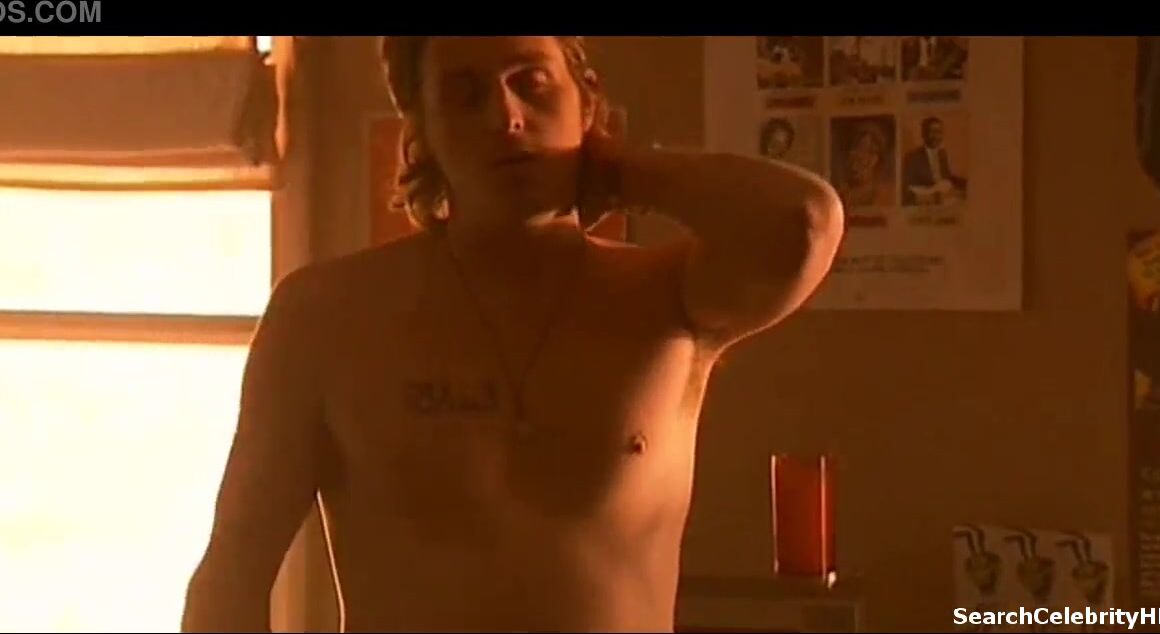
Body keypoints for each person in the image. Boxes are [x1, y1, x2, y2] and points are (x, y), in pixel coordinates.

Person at [180, 36, 843, 633]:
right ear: (424, 131)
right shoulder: (326, 314)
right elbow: (233, 572)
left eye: (532, 83)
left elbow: (805, 223)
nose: (504, 117)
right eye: (464, 95)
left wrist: (624, 170)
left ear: (586, 103)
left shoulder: (671, 303)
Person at [902, 116, 966, 206]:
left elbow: (947, 176)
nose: (937, 136)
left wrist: (967, 183)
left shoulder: (942, 154)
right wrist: (932, 192)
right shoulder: (912, 157)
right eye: (933, 132)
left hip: (944, 199)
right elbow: (907, 188)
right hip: (925, 203)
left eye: (939, 132)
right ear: (923, 134)